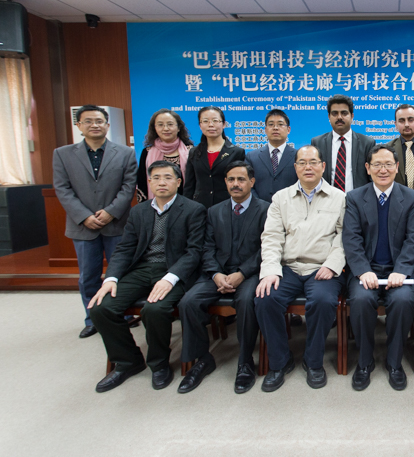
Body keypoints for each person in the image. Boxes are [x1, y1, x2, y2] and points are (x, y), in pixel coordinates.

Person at [88, 161, 206, 393]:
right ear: (149, 182)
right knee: (101, 308)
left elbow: (194, 251)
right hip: (141, 269)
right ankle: (128, 361)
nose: (162, 182)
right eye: (156, 178)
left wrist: (170, 277)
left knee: (154, 309)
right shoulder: (138, 211)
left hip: (174, 271)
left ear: (178, 182)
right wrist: (110, 279)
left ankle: (159, 364)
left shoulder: (194, 209)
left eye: (168, 177)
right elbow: (125, 249)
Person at [254, 145, 347, 392]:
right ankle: (279, 362)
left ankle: (313, 361)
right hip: (288, 268)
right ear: (295, 167)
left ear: (323, 166)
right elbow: (271, 237)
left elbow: (344, 237)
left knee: (323, 301)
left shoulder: (339, 197)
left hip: (322, 268)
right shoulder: (280, 198)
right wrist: (270, 270)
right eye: (302, 162)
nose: (308, 167)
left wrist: (332, 265)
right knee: (265, 299)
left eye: (313, 162)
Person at [177, 161, 269, 394]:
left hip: (250, 273)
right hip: (217, 273)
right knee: (188, 302)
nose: (236, 184)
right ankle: (202, 359)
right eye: (231, 179)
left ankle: (245, 361)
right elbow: (206, 247)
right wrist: (216, 274)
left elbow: (267, 248)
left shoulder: (266, 210)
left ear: (252, 182)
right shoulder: (213, 211)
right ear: (225, 182)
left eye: (241, 179)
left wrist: (242, 273)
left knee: (247, 301)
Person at [53, 105, 138, 339]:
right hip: (82, 226)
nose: (94, 125)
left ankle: (123, 314)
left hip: (117, 223)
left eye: (99, 121)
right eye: (88, 121)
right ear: (79, 125)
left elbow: (128, 186)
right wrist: (84, 216)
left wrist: (111, 212)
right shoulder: (62, 154)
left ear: (107, 125)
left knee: (121, 271)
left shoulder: (125, 153)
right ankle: (92, 318)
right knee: (88, 276)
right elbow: (62, 189)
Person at [343, 145, 414, 391]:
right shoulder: (354, 198)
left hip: (399, 270)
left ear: (397, 167)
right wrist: (362, 270)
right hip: (366, 269)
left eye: (388, 164)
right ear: (367, 168)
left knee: (402, 301)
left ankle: (394, 362)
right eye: (377, 164)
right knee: (360, 300)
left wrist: (401, 269)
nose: (383, 169)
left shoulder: (412, 198)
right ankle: (365, 362)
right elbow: (351, 239)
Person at [183, 106, 246, 208]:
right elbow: (189, 185)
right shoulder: (194, 152)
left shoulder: (236, 152)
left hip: (226, 206)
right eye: (205, 121)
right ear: (200, 125)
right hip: (199, 207)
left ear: (224, 124)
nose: (210, 125)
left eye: (215, 121)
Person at [311, 94, 376, 192]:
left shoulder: (367, 143)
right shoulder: (317, 142)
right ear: (329, 117)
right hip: (326, 198)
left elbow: (372, 176)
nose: (339, 117)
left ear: (352, 116)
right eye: (334, 114)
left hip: (358, 199)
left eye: (344, 113)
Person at [136, 109, 193, 202]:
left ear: (178, 128)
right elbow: (142, 182)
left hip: (186, 204)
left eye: (170, 124)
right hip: (155, 204)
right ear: (154, 128)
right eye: (160, 125)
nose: (166, 128)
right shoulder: (147, 152)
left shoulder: (191, 151)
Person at [245, 109, 297, 204]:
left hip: (290, 208)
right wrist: (259, 205)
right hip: (259, 209)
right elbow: (247, 184)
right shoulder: (252, 157)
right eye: (271, 124)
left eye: (280, 124)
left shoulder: (298, 156)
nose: (275, 128)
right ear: (265, 129)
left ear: (288, 129)